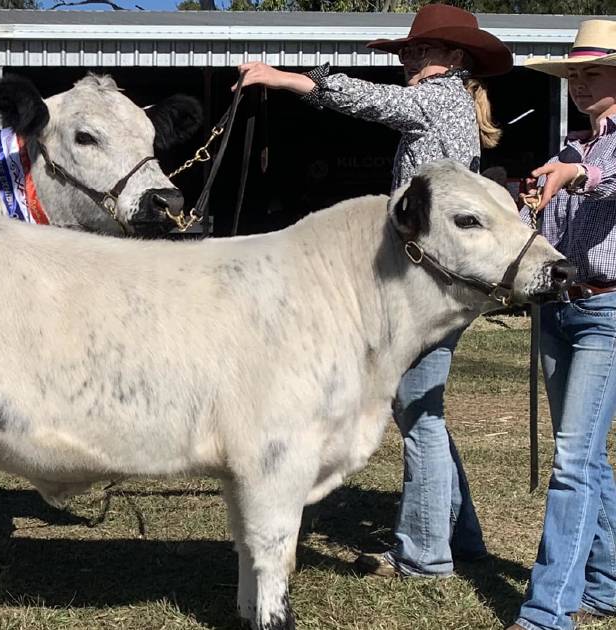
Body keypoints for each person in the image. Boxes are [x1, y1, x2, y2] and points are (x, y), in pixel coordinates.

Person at [237, 3, 512, 578]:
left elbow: (375, 103)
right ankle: (462, 540)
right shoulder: (453, 101)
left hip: (429, 286)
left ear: (454, 59)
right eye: (407, 50)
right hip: (436, 282)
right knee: (424, 408)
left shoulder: (439, 98)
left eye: (422, 50)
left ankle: (425, 553)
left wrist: (292, 80)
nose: (410, 58)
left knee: (419, 412)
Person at [511, 19, 616, 630]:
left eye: (593, 72)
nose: (579, 83)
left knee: (573, 460)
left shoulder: (584, 159)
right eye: (575, 74)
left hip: (606, 312)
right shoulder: (571, 146)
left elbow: (609, 184)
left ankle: (548, 612)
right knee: (588, 459)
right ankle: (603, 585)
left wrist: (576, 177)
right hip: (562, 307)